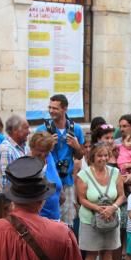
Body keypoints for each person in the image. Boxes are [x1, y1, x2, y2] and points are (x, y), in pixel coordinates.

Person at [77, 142, 124, 260]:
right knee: (91, 254)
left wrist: (113, 207)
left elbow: (121, 195)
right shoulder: (83, 175)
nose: (103, 158)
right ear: (93, 157)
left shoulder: (115, 172)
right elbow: (81, 198)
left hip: (110, 218)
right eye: (99, 155)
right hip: (90, 219)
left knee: (108, 253)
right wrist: (98, 208)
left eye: (106, 155)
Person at [39, 94, 85, 225]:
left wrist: (76, 146)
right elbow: (35, 155)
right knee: (47, 221)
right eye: (50, 107)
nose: (51, 111)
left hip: (67, 181)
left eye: (55, 108)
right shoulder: (42, 130)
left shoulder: (75, 129)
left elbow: (80, 155)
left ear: (65, 109)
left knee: (67, 223)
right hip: (47, 182)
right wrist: (47, 145)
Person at [28, 131, 62, 221]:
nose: (43, 155)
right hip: (37, 220)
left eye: (46, 152)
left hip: (55, 218)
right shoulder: (26, 164)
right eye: (39, 152)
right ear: (32, 148)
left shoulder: (50, 158)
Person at [0, 114, 30, 194]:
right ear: (15, 130)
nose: (29, 131)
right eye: (26, 128)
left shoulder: (24, 147)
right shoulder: (6, 149)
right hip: (12, 201)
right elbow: (7, 181)